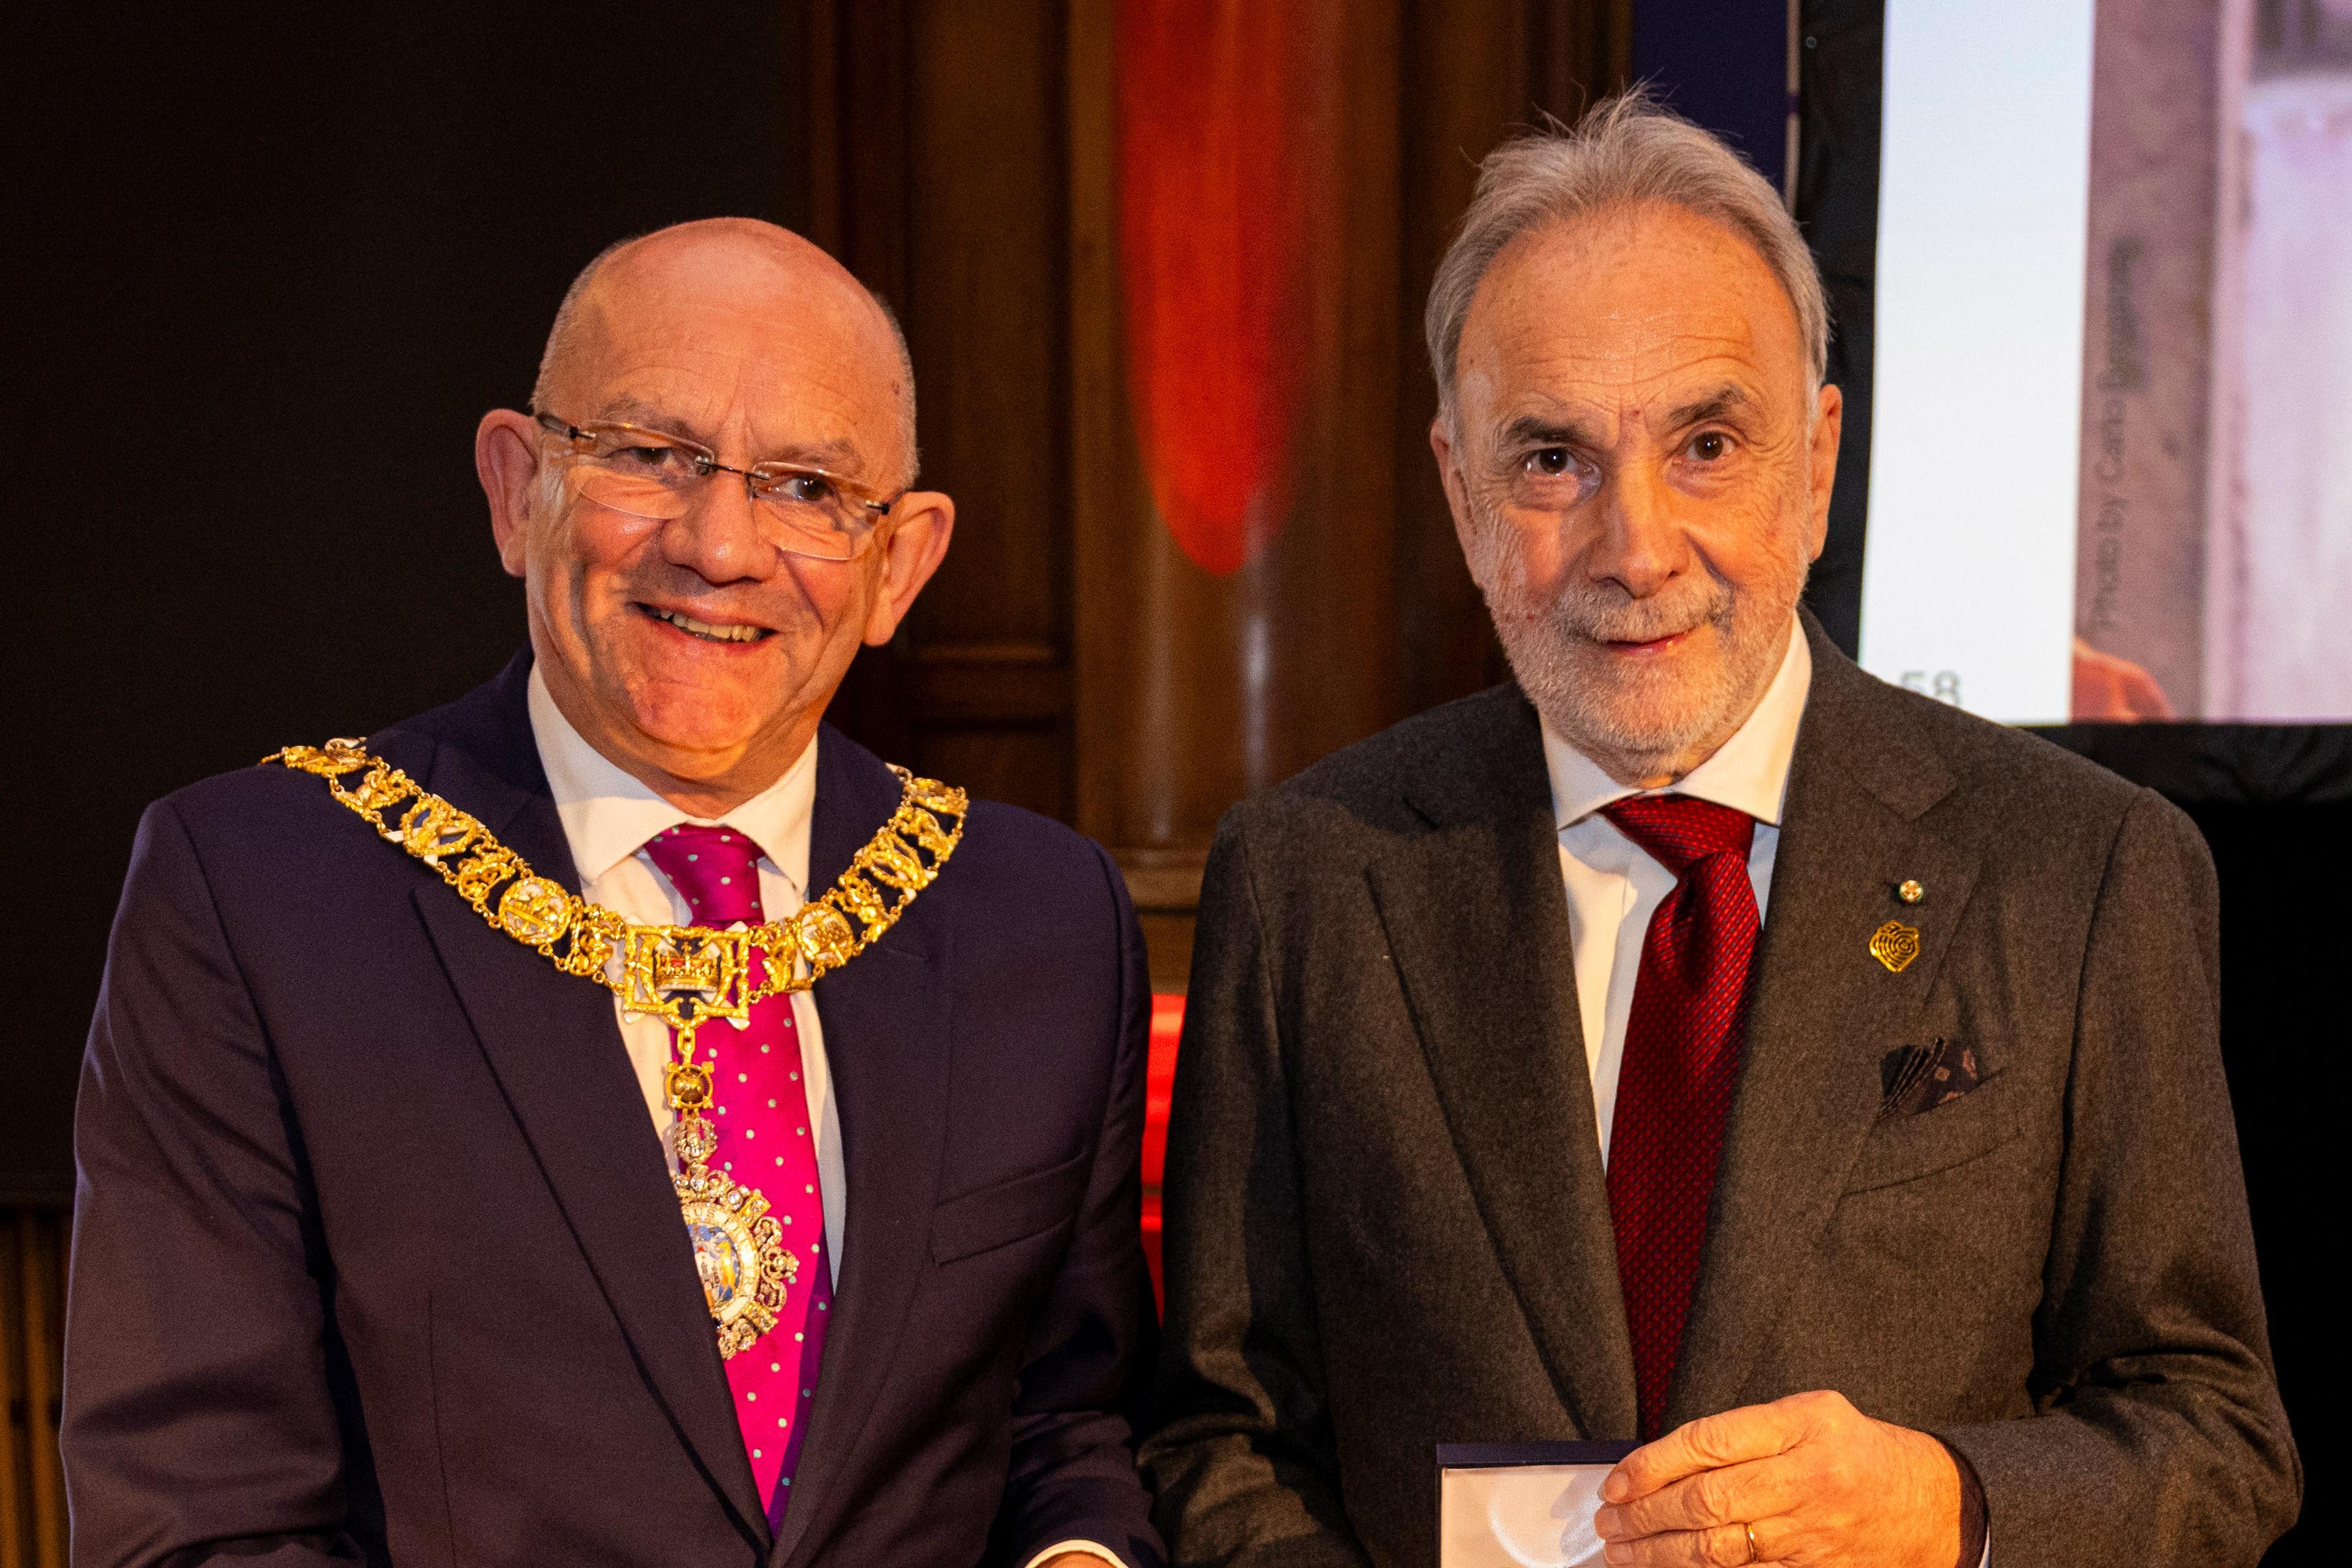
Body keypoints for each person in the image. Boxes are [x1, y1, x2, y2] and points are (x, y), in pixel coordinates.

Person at [1142, 95, 2299, 1567]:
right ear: (1457, 490)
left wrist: (1942, 1504)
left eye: (1704, 443)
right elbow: (1224, 1437)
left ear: (1816, 463)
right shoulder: (1311, 876)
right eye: (1549, 460)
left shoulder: (2080, 870)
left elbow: (2215, 1436)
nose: (1634, 549)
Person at [65, 219, 1161, 1568]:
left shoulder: (1037, 919)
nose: (720, 546)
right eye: (651, 456)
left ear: (903, 563)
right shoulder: (260, 896)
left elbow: (1064, 1422)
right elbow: (200, 1522)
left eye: (808, 486)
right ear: (514, 487)